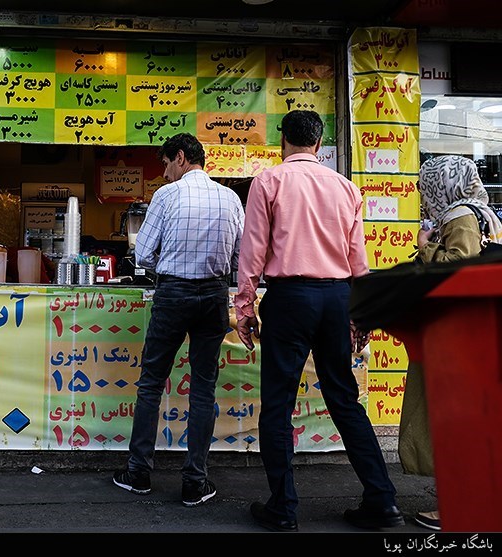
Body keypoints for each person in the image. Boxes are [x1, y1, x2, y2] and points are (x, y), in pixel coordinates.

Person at [235, 110, 403, 532]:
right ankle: (383, 501)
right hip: (337, 297)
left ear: (283, 140)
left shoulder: (268, 181)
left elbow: (252, 251)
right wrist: (360, 318)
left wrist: (244, 307)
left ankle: (283, 507)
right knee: (344, 399)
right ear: (318, 141)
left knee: (278, 404)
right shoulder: (346, 188)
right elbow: (358, 260)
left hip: (290, 299)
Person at [112, 132, 245, 507]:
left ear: (181, 158)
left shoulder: (166, 197)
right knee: (203, 387)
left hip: (173, 294)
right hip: (214, 296)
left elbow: (143, 256)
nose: (166, 174)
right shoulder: (231, 198)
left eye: (167, 164)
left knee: (152, 382)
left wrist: (169, 270)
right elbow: (240, 260)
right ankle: (194, 482)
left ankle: (138, 473)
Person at [403, 154, 502, 531]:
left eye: (426, 185)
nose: (422, 193)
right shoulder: (483, 214)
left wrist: (424, 246)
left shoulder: (459, 217)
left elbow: (458, 268)